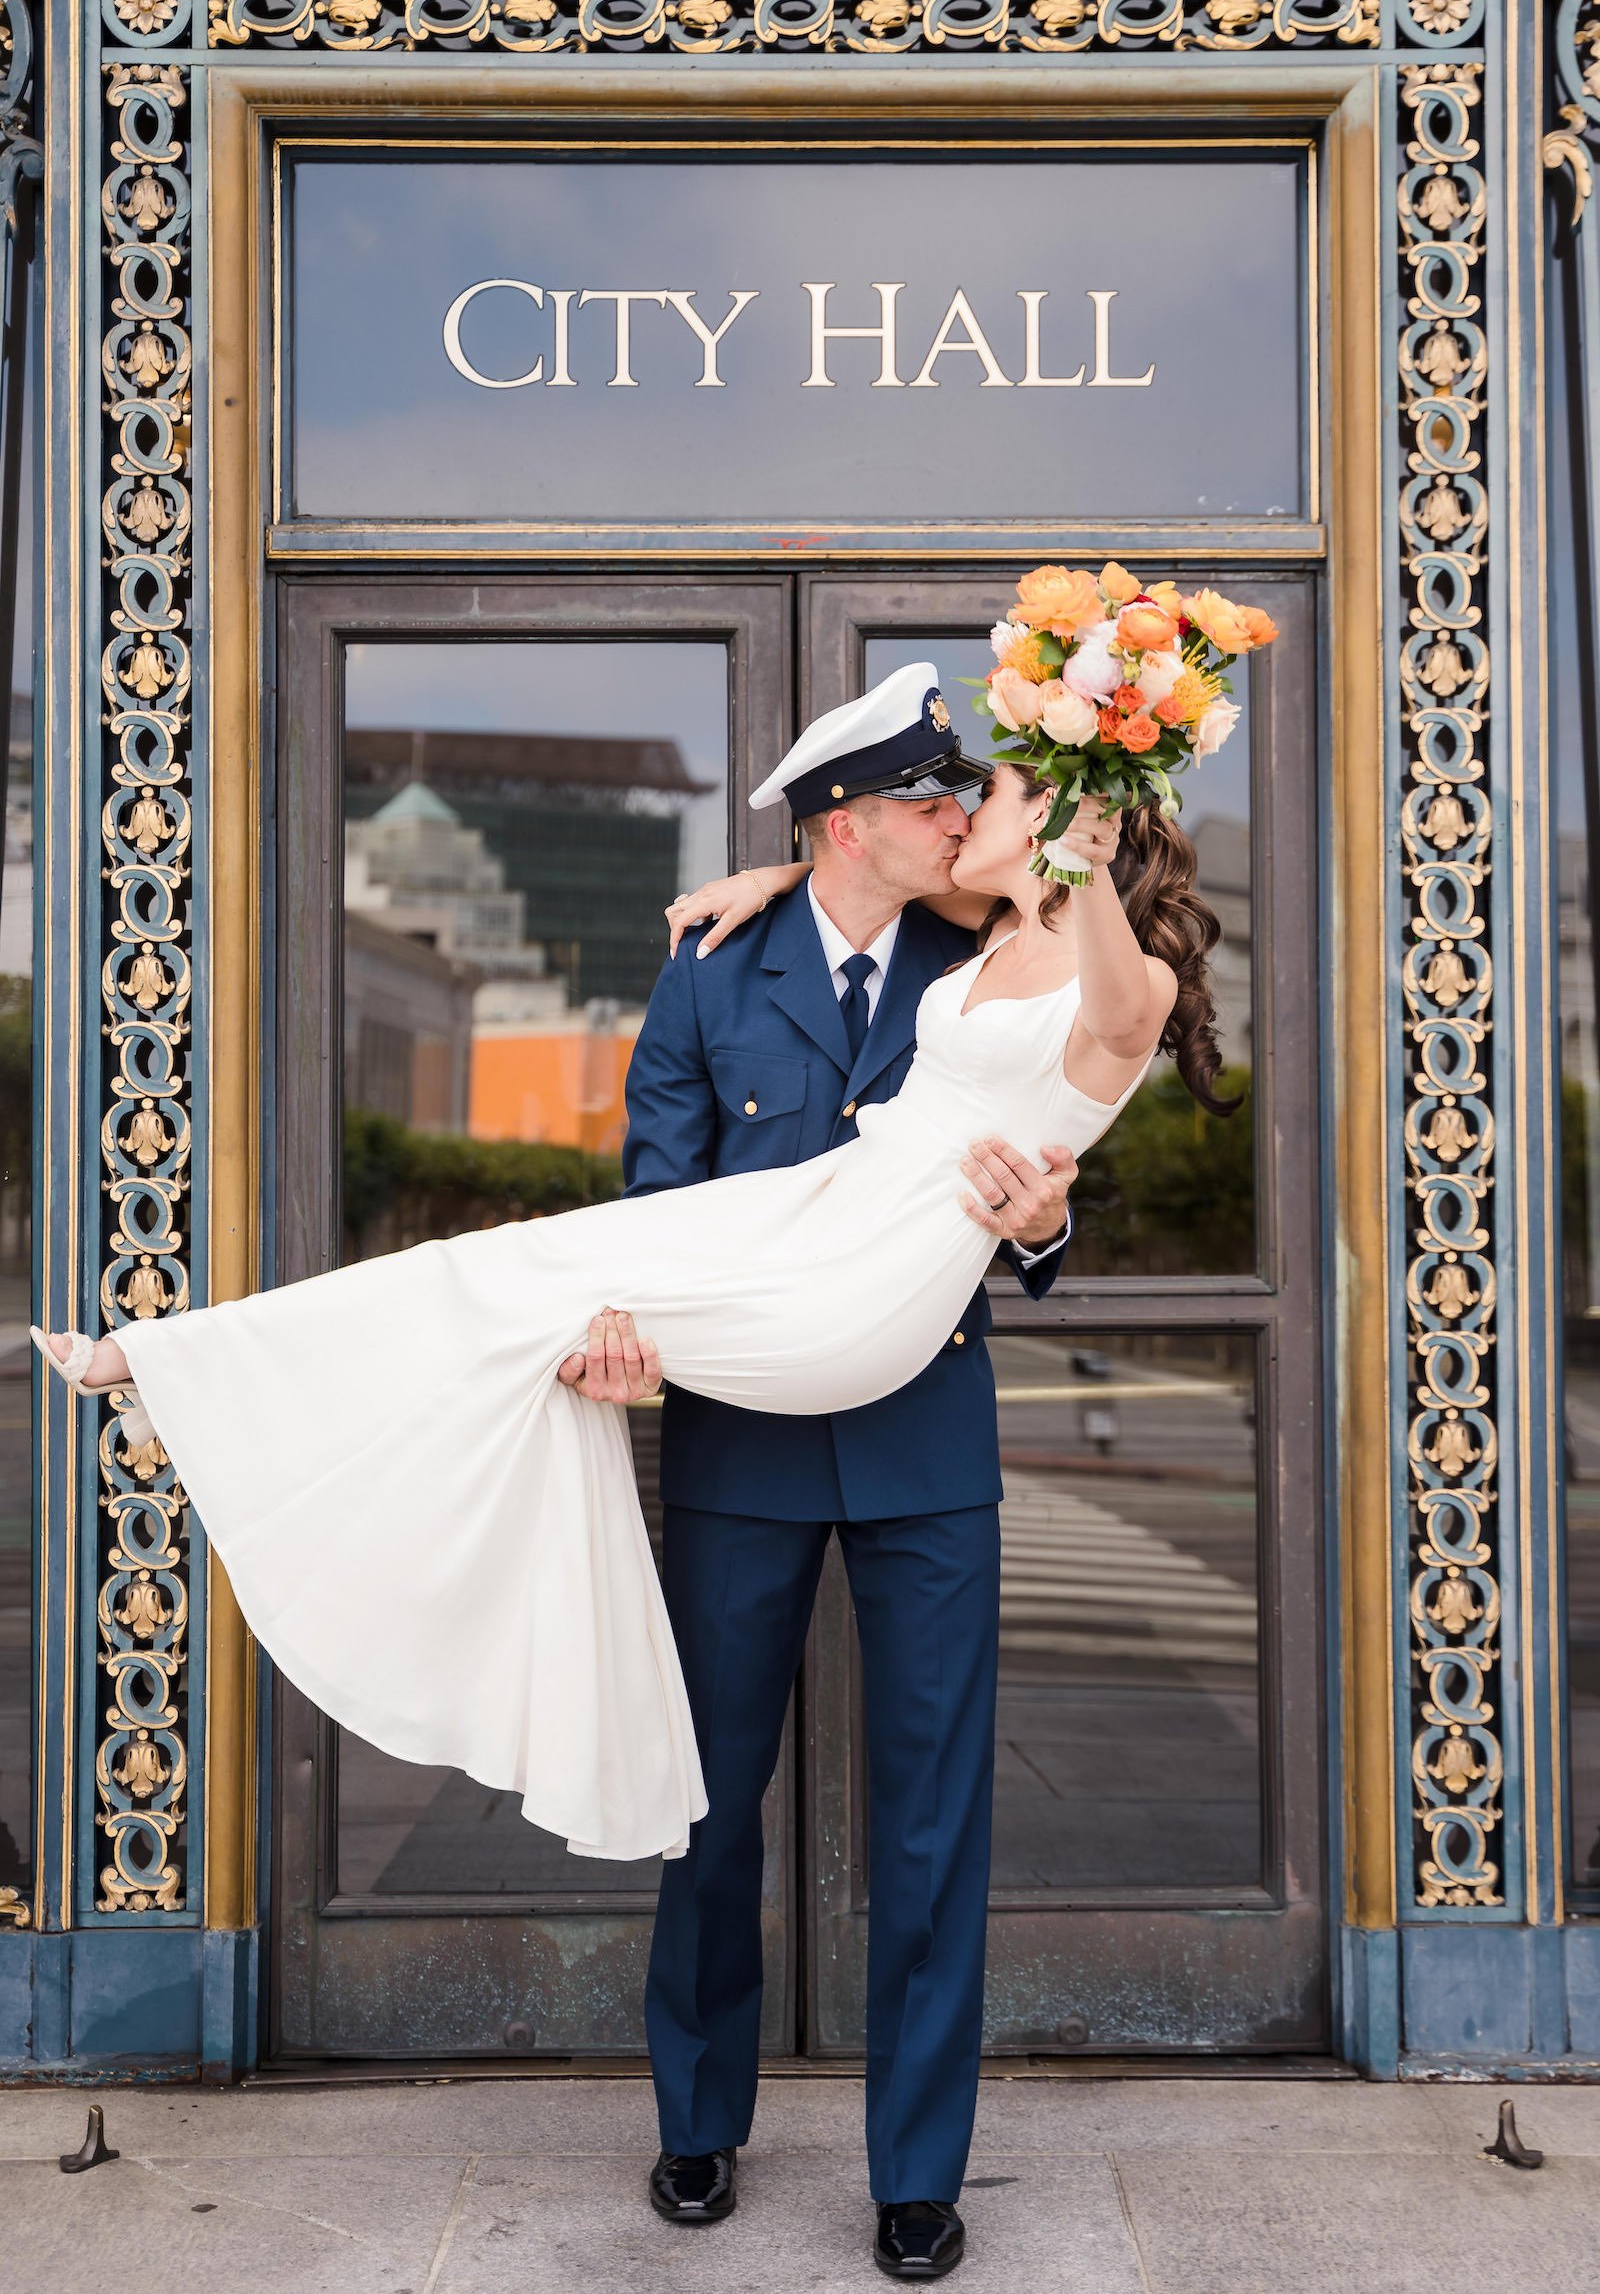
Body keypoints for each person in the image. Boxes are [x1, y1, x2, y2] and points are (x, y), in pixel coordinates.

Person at [31, 661, 1221, 2280]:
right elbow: (658, 1198)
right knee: (708, 1800)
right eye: (928, 798)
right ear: (848, 820)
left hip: (917, 1419)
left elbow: (1084, 1088)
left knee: (933, 1827)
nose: (959, 812)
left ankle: (919, 2174)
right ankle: (696, 2129)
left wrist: (1046, 1222)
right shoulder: (712, 970)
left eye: (978, 794)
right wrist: (622, 1344)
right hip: (741, 1414)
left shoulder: (1004, 936)